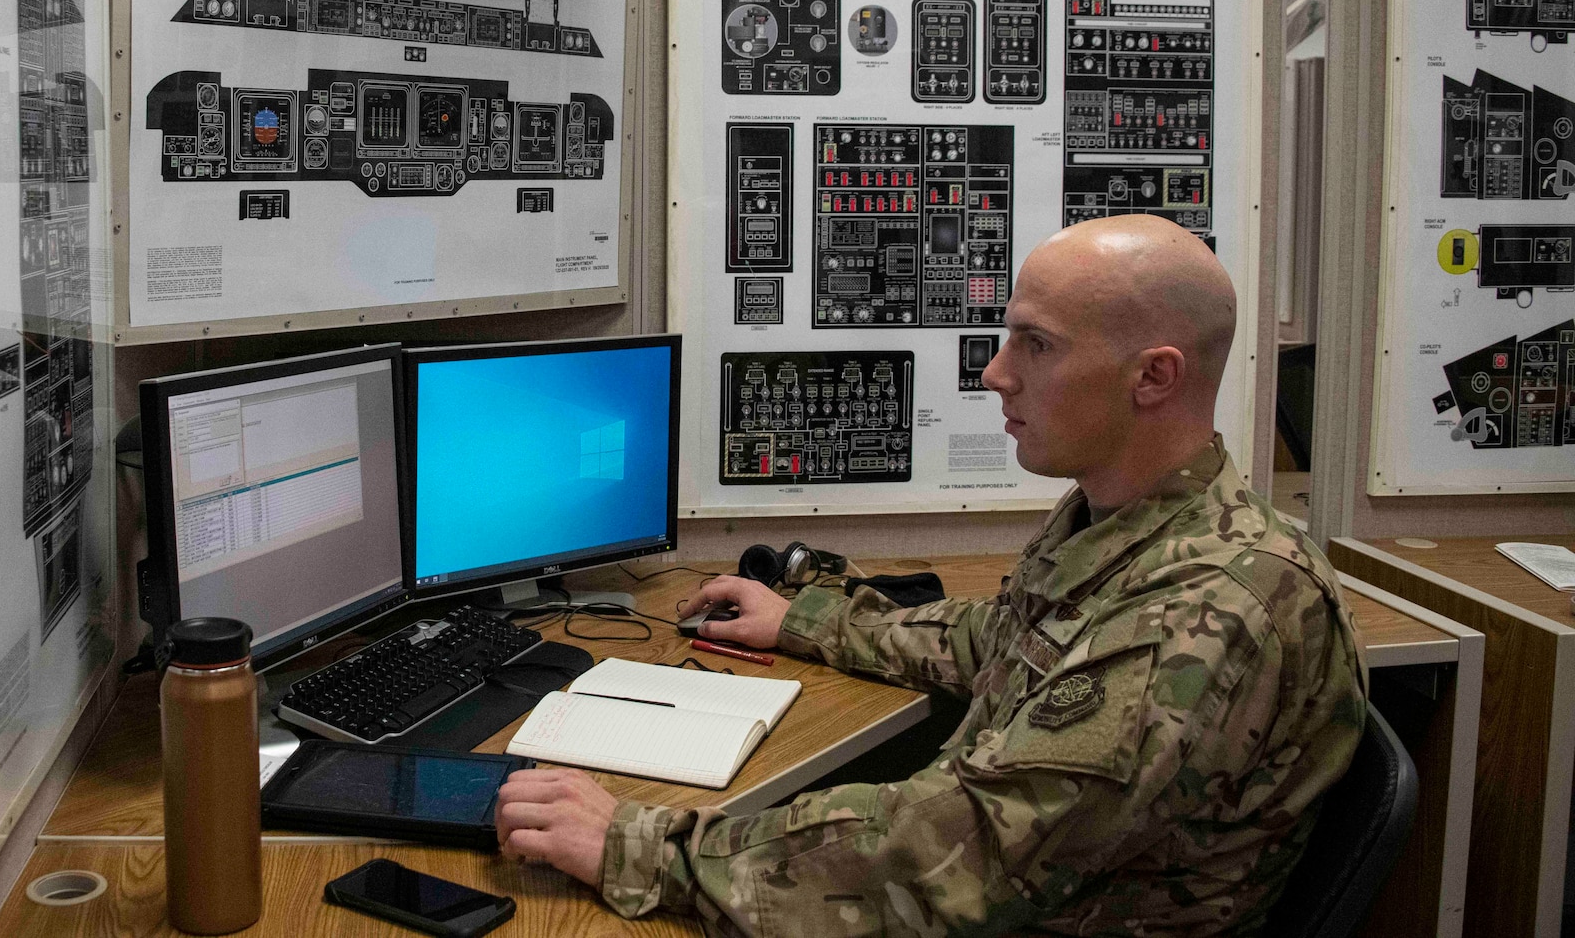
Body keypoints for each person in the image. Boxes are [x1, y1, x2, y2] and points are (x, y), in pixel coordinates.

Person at [495, 214, 1367, 936]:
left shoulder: (1207, 610)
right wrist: (807, 619)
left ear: (1155, 377)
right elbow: (1008, 637)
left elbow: (957, 853)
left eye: (1037, 344)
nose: (996, 373)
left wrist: (639, 843)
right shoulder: (1137, 524)